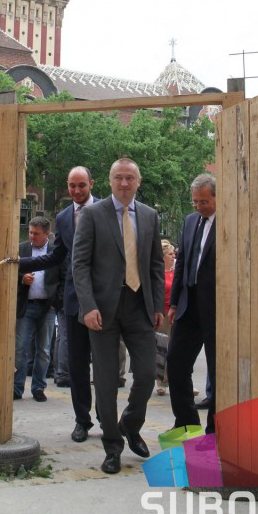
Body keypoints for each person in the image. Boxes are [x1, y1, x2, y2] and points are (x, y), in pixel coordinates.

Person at [72, 157, 164, 475]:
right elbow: (80, 264)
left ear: (138, 182)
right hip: (102, 310)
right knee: (107, 381)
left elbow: (155, 265)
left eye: (130, 178)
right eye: (118, 178)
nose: (124, 183)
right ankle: (112, 446)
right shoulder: (92, 215)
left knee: (147, 375)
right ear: (110, 181)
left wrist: (157, 305)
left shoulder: (150, 216)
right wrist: (87, 306)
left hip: (139, 307)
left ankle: (130, 424)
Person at [17, 166, 100, 442]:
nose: (76, 191)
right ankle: (82, 420)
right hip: (73, 302)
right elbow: (56, 257)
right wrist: (20, 262)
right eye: (71, 186)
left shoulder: (106, 209)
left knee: (104, 365)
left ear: (91, 184)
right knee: (76, 364)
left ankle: (106, 417)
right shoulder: (64, 217)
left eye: (81, 185)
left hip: (102, 300)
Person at [167, 173, 217, 434]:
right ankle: (187, 423)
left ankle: (215, 432)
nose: (198, 207)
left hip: (216, 308)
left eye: (204, 202)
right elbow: (182, 264)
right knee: (176, 363)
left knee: (217, 372)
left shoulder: (229, 222)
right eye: (195, 202)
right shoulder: (189, 222)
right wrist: (174, 302)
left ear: (217, 198)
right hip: (188, 305)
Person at [13, 217, 59, 402]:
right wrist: (22, 278)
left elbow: (63, 275)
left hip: (48, 307)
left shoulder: (55, 251)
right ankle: (16, 388)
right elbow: (11, 270)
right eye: (31, 232)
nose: (32, 236)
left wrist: (56, 301)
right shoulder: (21, 249)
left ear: (47, 234)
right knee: (20, 349)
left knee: (44, 350)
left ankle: (39, 388)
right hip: (26, 306)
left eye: (36, 233)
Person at [155, 239, 176, 396]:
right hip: (162, 314)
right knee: (161, 349)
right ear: (163, 257)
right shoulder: (158, 274)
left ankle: (177, 380)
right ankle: (160, 382)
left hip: (176, 314)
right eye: (170, 254)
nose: (173, 256)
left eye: (174, 253)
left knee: (176, 349)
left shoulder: (176, 272)